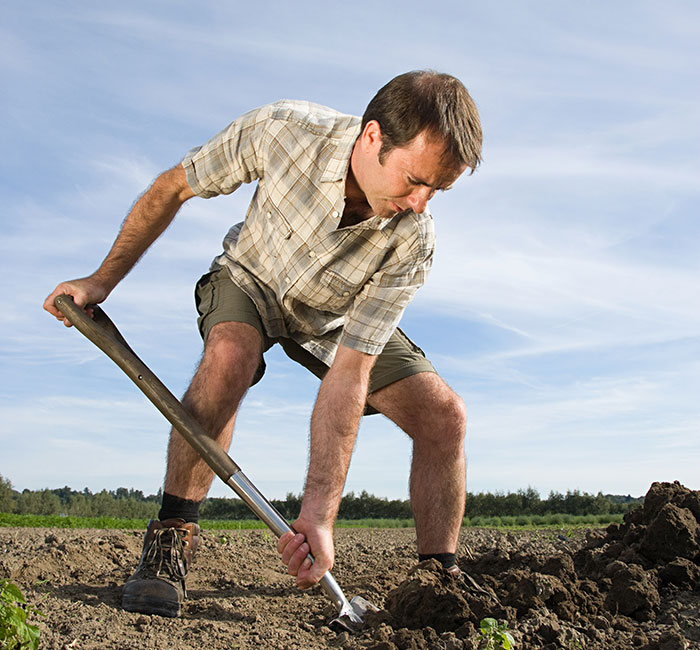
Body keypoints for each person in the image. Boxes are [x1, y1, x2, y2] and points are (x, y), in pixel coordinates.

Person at [44, 70, 483, 618]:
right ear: (373, 137)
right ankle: (172, 537)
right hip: (251, 279)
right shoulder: (284, 131)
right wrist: (100, 281)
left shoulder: (414, 238)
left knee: (446, 416)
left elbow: (351, 372)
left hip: (333, 317)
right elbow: (172, 186)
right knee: (229, 354)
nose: (421, 204)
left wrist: (318, 514)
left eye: (438, 190)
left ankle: (438, 580)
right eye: (415, 179)